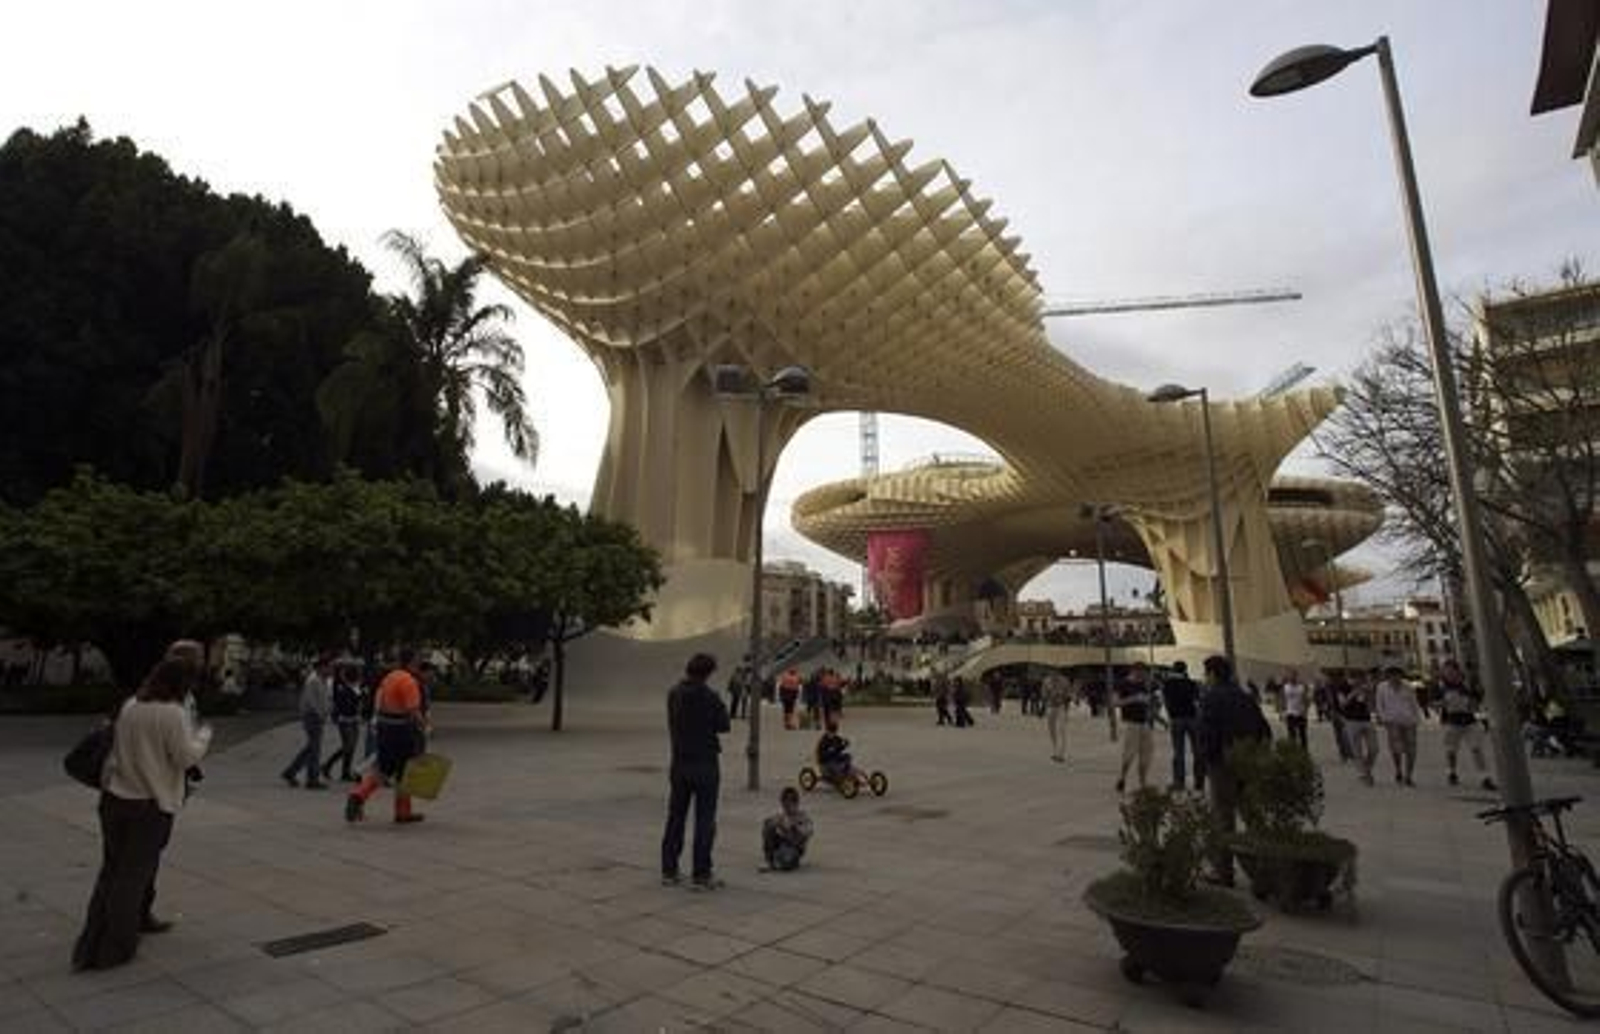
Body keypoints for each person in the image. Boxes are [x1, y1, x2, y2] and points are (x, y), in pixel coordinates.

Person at [73, 656, 213, 971]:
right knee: (132, 878)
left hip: (115, 799)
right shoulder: (172, 713)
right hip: (149, 804)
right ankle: (115, 947)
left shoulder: (131, 705)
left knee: (111, 871)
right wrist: (203, 735)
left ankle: (90, 943)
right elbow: (185, 757)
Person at [1196, 655, 1270, 887]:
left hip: (1221, 763)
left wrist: (1207, 759)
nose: (1205, 678)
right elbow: (1264, 729)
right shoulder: (1245, 697)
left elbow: (1207, 733)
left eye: (1206, 673)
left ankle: (1223, 871)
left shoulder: (1211, 698)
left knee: (1223, 816)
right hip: (1247, 761)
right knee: (1252, 815)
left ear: (1212, 674)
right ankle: (1265, 865)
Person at [661, 653, 731, 890]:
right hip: (705, 764)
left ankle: (669, 870)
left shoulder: (673, 694)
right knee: (705, 820)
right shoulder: (710, 696)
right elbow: (724, 725)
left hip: (680, 762)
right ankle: (701, 873)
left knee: (675, 817)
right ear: (708, 673)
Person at [345, 649, 429, 824]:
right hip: (402, 731)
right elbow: (413, 711)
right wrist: (425, 728)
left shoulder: (390, 677)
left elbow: (379, 701)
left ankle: (358, 795)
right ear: (412, 662)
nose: (419, 663)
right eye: (418, 659)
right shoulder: (409, 681)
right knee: (405, 772)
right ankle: (402, 812)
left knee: (384, 769)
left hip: (385, 727)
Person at [1438, 659, 1497, 791]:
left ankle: (1485, 777)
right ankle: (1451, 772)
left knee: (1476, 749)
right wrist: (1443, 704)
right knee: (1451, 750)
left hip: (1469, 721)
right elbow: (1435, 702)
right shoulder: (1442, 687)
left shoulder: (1467, 685)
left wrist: (1471, 700)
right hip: (1452, 722)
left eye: (1451, 671)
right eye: (1446, 671)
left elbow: (1478, 700)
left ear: (1457, 671)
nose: (1449, 674)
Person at [281, 657, 333, 790]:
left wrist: (327, 710)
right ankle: (311, 779)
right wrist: (320, 713)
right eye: (328, 667)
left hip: (317, 717)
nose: (331, 670)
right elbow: (310, 700)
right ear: (321, 667)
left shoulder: (322, 680)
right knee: (315, 749)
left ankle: (291, 772)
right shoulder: (313, 680)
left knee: (311, 748)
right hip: (312, 717)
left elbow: (324, 699)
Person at [1374, 666, 1421, 786]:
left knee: (1411, 749)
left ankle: (1409, 775)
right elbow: (1379, 704)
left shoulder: (1408, 686)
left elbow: (1414, 702)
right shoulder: (1381, 687)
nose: (1395, 678)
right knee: (1396, 749)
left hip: (1409, 721)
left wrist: (1417, 718)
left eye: (1397, 675)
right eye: (1392, 675)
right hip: (1392, 721)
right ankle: (1398, 769)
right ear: (1388, 676)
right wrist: (1383, 718)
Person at [1160, 661, 1203, 790]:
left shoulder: (1167, 684)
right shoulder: (1191, 683)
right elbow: (1197, 701)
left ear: (1174, 669)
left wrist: (1170, 714)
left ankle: (1179, 782)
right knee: (1198, 751)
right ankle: (1199, 782)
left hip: (1176, 719)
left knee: (1179, 752)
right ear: (1185, 670)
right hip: (1192, 718)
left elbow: (1165, 701)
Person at [1114, 664, 1155, 794]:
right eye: (1142, 674)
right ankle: (1122, 777)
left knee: (1146, 755)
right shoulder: (1123, 684)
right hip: (1130, 723)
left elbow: (1148, 702)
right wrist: (1134, 698)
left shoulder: (1144, 684)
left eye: (1145, 674)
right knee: (1129, 755)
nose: (1144, 676)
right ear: (1135, 671)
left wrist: (1148, 705)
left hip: (1145, 724)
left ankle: (1143, 782)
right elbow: (1115, 703)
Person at [321, 665, 364, 783]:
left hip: (354, 720)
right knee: (348, 746)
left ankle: (345, 772)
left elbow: (359, 702)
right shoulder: (344, 689)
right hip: (345, 720)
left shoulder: (356, 688)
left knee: (351, 747)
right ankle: (327, 765)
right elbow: (344, 706)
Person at [1338, 673, 1379, 786]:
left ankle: (1366, 768)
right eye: (1355, 677)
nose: (1358, 680)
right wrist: (1353, 694)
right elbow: (1342, 704)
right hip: (1351, 721)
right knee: (1357, 751)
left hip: (1366, 720)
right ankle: (1364, 774)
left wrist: (1369, 694)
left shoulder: (1366, 688)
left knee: (1374, 748)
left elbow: (1372, 706)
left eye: (1360, 677)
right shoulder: (1343, 687)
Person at [762, 787, 814, 872]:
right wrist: (776, 824)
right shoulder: (780, 815)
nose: (788, 806)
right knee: (769, 826)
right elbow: (769, 826)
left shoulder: (802, 816)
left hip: (794, 847)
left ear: (796, 803)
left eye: (791, 803)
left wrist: (793, 827)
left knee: (787, 861)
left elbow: (808, 832)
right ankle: (770, 859)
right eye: (785, 803)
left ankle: (780, 861)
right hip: (780, 844)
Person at [1043, 668, 1072, 762]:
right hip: (1050, 706)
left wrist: (1062, 698)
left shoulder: (1064, 681)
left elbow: (1068, 695)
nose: (1053, 673)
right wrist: (1049, 696)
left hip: (1061, 706)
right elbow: (1044, 695)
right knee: (1051, 729)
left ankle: (1061, 753)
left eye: (1055, 671)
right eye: (1051, 671)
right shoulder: (1046, 681)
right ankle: (1055, 750)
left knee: (1062, 729)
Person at [1280, 669, 1310, 751]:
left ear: (1296, 676)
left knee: (1302, 734)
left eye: (1294, 676)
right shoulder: (1285, 687)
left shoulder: (1301, 687)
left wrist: (1306, 711)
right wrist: (1282, 712)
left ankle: (1304, 751)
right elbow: (1282, 700)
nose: (1292, 677)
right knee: (1291, 734)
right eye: (1291, 676)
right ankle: (1293, 751)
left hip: (1300, 713)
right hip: (1290, 713)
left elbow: (1306, 699)